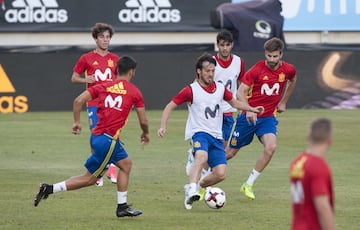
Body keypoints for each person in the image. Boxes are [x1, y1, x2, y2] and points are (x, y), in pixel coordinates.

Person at [34, 56, 150, 218]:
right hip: (108, 141)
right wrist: (145, 133)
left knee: (126, 164)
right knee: (89, 179)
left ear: (116, 71)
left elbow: (78, 101)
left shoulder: (104, 86)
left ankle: (122, 206)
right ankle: (49, 188)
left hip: (99, 137)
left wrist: (77, 122)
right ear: (132, 72)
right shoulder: (134, 92)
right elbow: (143, 120)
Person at [157, 53, 263, 210]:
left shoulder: (220, 89)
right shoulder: (190, 90)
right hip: (199, 132)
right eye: (207, 70)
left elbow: (234, 102)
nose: (211, 74)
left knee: (221, 173)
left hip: (216, 135)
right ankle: (193, 188)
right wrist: (163, 125)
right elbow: (170, 105)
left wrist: (252, 108)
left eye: (213, 70)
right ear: (199, 71)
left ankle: (194, 188)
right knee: (201, 156)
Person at [226, 37, 297, 200]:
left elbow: (292, 80)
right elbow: (240, 92)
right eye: (268, 56)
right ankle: (203, 177)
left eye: (275, 56)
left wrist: (284, 102)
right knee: (229, 153)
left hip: (268, 118)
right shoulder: (256, 70)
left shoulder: (289, 69)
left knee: (271, 147)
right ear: (265, 54)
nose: (271, 60)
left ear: (281, 54)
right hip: (247, 118)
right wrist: (249, 109)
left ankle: (248, 184)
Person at [185, 29, 245, 176]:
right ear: (217, 45)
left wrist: (245, 105)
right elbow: (197, 84)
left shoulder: (238, 62)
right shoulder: (210, 63)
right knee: (208, 149)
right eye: (222, 45)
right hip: (210, 112)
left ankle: (205, 175)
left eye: (228, 45)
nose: (225, 48)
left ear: (232, 45)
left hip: (228, 111)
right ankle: (204, 177)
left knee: (222, 149)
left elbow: (243, 85)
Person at [71, 22, 120, 186]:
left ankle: (110, 169)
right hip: (93, 103)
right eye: (102, 37)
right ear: (95, 39)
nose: (105, 40)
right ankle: (96, 173)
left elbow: (120, 80)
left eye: (108, 37)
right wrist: (86, 79)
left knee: (112, 136)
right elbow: (74, 77)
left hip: (112, 103)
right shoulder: (86, 58)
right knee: (96, 137)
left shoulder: (115, 59)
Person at [290, 118, 335, 230]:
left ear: (308, 137)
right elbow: (322, 207)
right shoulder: (318, 165)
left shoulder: (298, 161)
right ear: (329, 140)